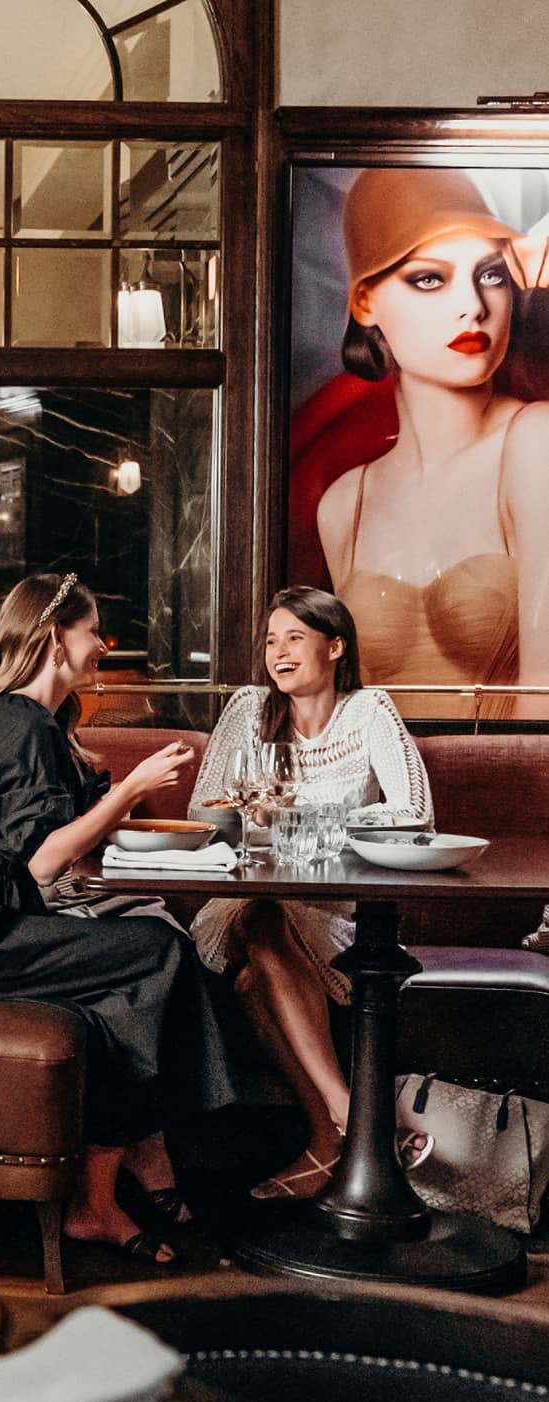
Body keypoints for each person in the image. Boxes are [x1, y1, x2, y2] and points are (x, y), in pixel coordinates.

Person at [0, 571, 243, 1265]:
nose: (103, 646)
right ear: (58, 636)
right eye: (94, 632)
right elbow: (43, 863)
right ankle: (158, 1159)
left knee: (130, 987)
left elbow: (61, 846)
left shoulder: (40, 724)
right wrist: (132, 790)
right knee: (157, 951)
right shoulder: (16, 723)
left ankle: (112, 1187)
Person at [189, 586, 433, 1198]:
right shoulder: (248, 709)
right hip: (246, 901)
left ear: (336, 646)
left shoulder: (371, 710)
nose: (279, 652)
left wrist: (316, 820)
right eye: (271, 641)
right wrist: (258, 819)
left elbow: (416, 814)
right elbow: (202, 810)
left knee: (252, 979)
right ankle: (355, 1118)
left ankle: (328, 1140)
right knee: (262, 914)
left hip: (339, 911)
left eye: (295, 637)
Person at [313, 166, 549, 717]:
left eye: (490, 275)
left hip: (504, 790)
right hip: (375, 799)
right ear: (365, 302)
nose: (474, 305)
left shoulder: (533, 443)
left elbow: (545, 692)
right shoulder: (346, 503)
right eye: (429, 278)